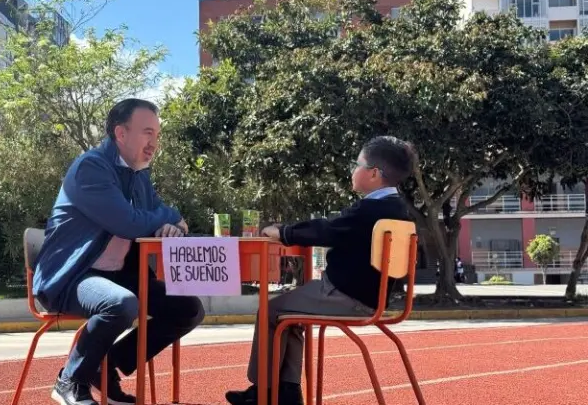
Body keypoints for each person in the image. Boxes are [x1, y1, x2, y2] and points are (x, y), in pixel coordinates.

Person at [33, 98, 206, 405]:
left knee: (189, 309)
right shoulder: (91, 167)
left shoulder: (138, 174)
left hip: (119, 275)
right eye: (147, 132)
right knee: (121, 304)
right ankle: (70, 380)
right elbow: (127, 222)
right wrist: (169, 219)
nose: (154, 143)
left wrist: (174, 226)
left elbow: (161, 212)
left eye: (157, 135)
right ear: (120, 134)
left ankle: (105, 365)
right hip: (73, 276)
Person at [225, 136, 417, 405]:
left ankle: (262, 391)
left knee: (270, 311)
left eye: (356, 164)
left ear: (373, 174)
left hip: (346, 296)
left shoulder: (370, 211)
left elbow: (327, 229)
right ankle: (287, 392)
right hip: (375, 297)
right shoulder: (399, 210)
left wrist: (283, 232)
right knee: (288, 315)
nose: (352, 170)